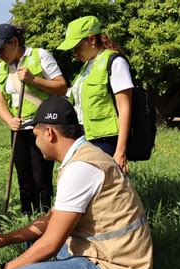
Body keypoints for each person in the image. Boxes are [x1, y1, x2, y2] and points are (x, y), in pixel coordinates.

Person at [0, 96, 153, 269]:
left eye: (35, 135)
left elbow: (51, 242)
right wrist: (7, 239)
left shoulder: (80, 169)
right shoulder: (83, 155)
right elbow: (52, 219)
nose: (36, 141)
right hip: (113, 256)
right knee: (31, 246)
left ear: (49, 133)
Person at [0, 24, 67, 215]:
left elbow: (62, 86)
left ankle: (45, 221)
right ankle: (26, 221)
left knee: (41, 180)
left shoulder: (39, 56)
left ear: (14, 42)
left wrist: (34, 80)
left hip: (42, 128)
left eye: (1, 49)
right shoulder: (2, 69)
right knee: (24, 181)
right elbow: (0, 101)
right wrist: (9, 121)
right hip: (17, 130)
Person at [58, 16, 133, 174]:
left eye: (77, 47)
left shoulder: (115, 62)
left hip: (105, 140)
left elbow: (124, 107)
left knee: (105, 188)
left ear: (91, 39)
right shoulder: (86, 67)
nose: (74, 53)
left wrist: (120, 151)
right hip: (85, 137)